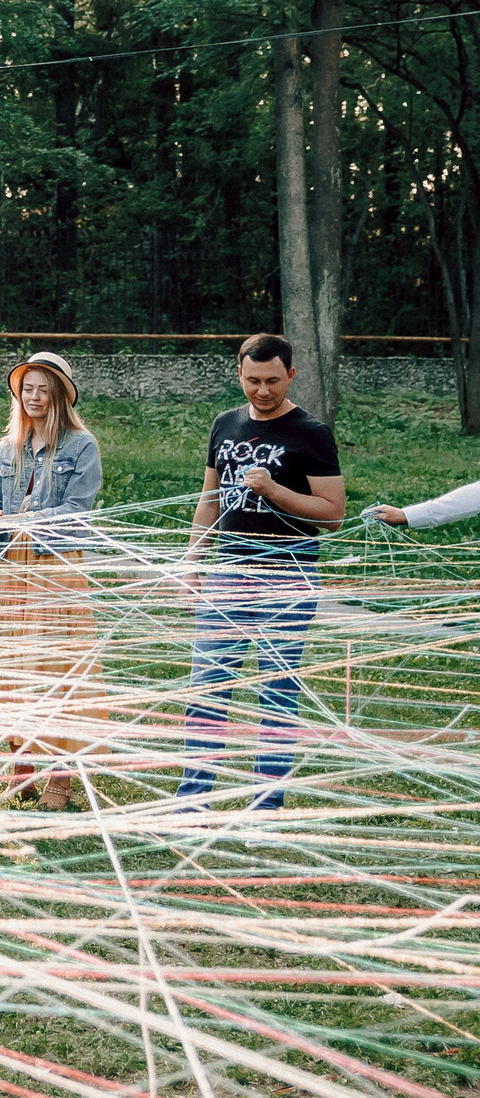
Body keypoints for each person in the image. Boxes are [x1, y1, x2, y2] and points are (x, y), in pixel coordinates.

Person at [178, 334, 344, 811]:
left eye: (272, 380)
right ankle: (193, 803)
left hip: (288, 577)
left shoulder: (311, 433)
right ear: (240, 375)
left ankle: (263, 808)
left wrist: (274, 490)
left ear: (291, 375)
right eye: (253, 380)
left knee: (276, 696)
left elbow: (331, 514)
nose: (263, 390)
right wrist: (192, 562)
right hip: (228, 573)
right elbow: (209, 500)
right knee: (207, 691)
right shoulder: (225, 424)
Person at [0, 352, 105, 811]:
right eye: (26, 388)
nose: (33, 397)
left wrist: (28, 518)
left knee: (56, 670)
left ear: (60, 395)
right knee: (10, 666)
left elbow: (77, 513)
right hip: (8, 569)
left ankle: (61, 775)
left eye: (42, 389)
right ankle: (21, 765)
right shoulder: (6, 447)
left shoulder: (80, 446)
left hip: (54, 572)